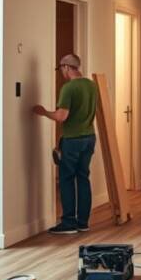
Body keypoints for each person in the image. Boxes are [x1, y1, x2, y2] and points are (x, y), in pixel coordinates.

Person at [33, 54, 97, 234]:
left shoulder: (69, 88)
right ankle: (83, 222)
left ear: (67, 67)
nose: (61, 72)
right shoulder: (91, 86)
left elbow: (62, 116)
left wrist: (44, 112)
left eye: (60, 68)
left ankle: (69, 222)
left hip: (73, 140)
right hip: (89, 137)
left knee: (67, 179)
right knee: (83, 178)